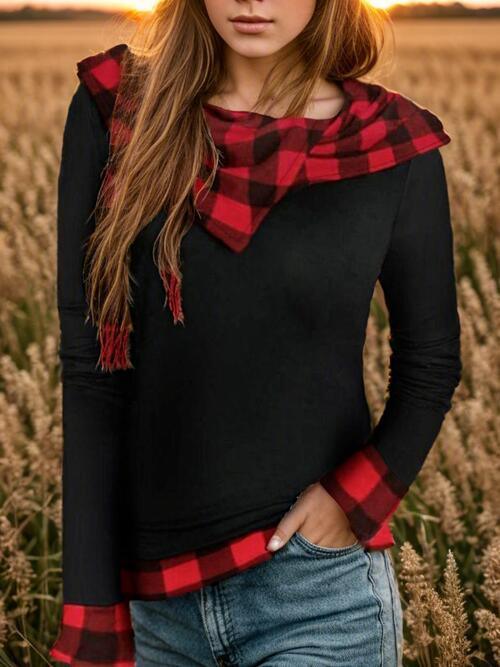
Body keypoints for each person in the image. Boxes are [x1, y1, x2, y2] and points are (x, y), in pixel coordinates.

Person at [49, 1, 462, 665]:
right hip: (156, 609)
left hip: (318, 600)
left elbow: (431, 362)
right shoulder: (118, 112)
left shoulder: (388, 142)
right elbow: (90, 368)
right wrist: (91, 611)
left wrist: (349, 503)